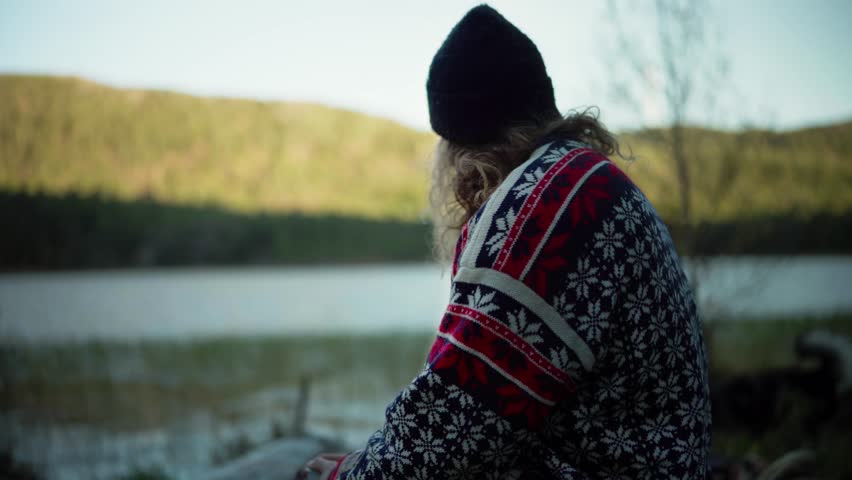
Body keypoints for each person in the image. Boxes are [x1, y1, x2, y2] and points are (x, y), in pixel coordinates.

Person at [303, 4, 711, 479]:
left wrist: (349, 476)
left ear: (460, 152)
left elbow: (455, 426)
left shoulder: (540, 208)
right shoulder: (580, 181)